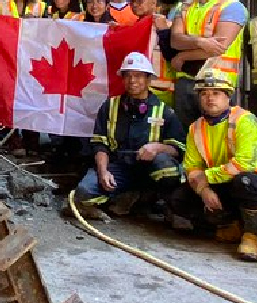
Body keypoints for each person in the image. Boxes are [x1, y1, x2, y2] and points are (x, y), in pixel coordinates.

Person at [169, 70, 257, 262]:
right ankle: (231, 224)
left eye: (216, 93)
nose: (210, 98)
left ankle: (253, 235)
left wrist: (206, 178)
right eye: (204, 94)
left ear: (227, 96)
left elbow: (244, 164)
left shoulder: (245, 121)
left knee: (246, 181)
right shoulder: (196, 127)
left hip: (256, 186)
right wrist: (203, 190)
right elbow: (191, 167)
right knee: (179, 198)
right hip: (222, 183)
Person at [73, 52, 186, 220]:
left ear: (148, 80)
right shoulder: (110, 106)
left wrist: (156, 148)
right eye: (128, 76)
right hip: (118, 167)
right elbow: (99, 144)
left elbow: (179, 148)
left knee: (167, 168)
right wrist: (103, 172)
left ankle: (156, 201)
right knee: (83, 193)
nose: (132, 81)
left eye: (139, 76)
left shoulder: (165, 111)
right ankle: (126, 198)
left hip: (149, 169)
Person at [170, 0, 247, 128]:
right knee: (185, 138)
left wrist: (183, 57)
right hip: (186, 83)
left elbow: (219, 47)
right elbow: (175, 40)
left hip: (219, 84)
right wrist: (201, 42)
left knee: (221, 138)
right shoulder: (184, 7)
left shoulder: (232, 7)